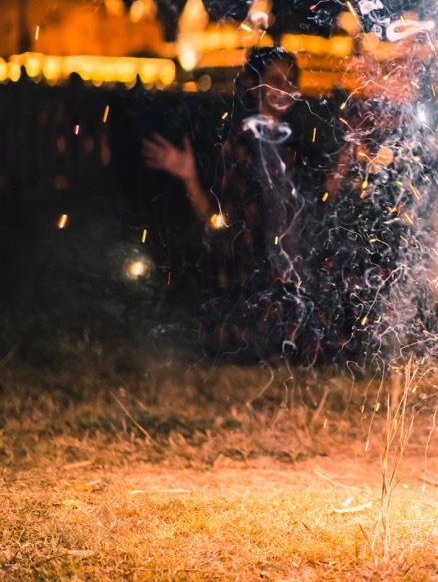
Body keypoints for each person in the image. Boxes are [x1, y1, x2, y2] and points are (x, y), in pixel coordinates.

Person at [143, 47, 357, 364]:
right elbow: (218, 220)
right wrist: (189, 176)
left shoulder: (293, 145)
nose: (285, 88)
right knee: (288, 337)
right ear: (255, 85)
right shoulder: (237, 145)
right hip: (254, 280)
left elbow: (320, 197)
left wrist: (349, 150)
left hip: (293, 269)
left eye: (291, 80)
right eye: (275, 80)